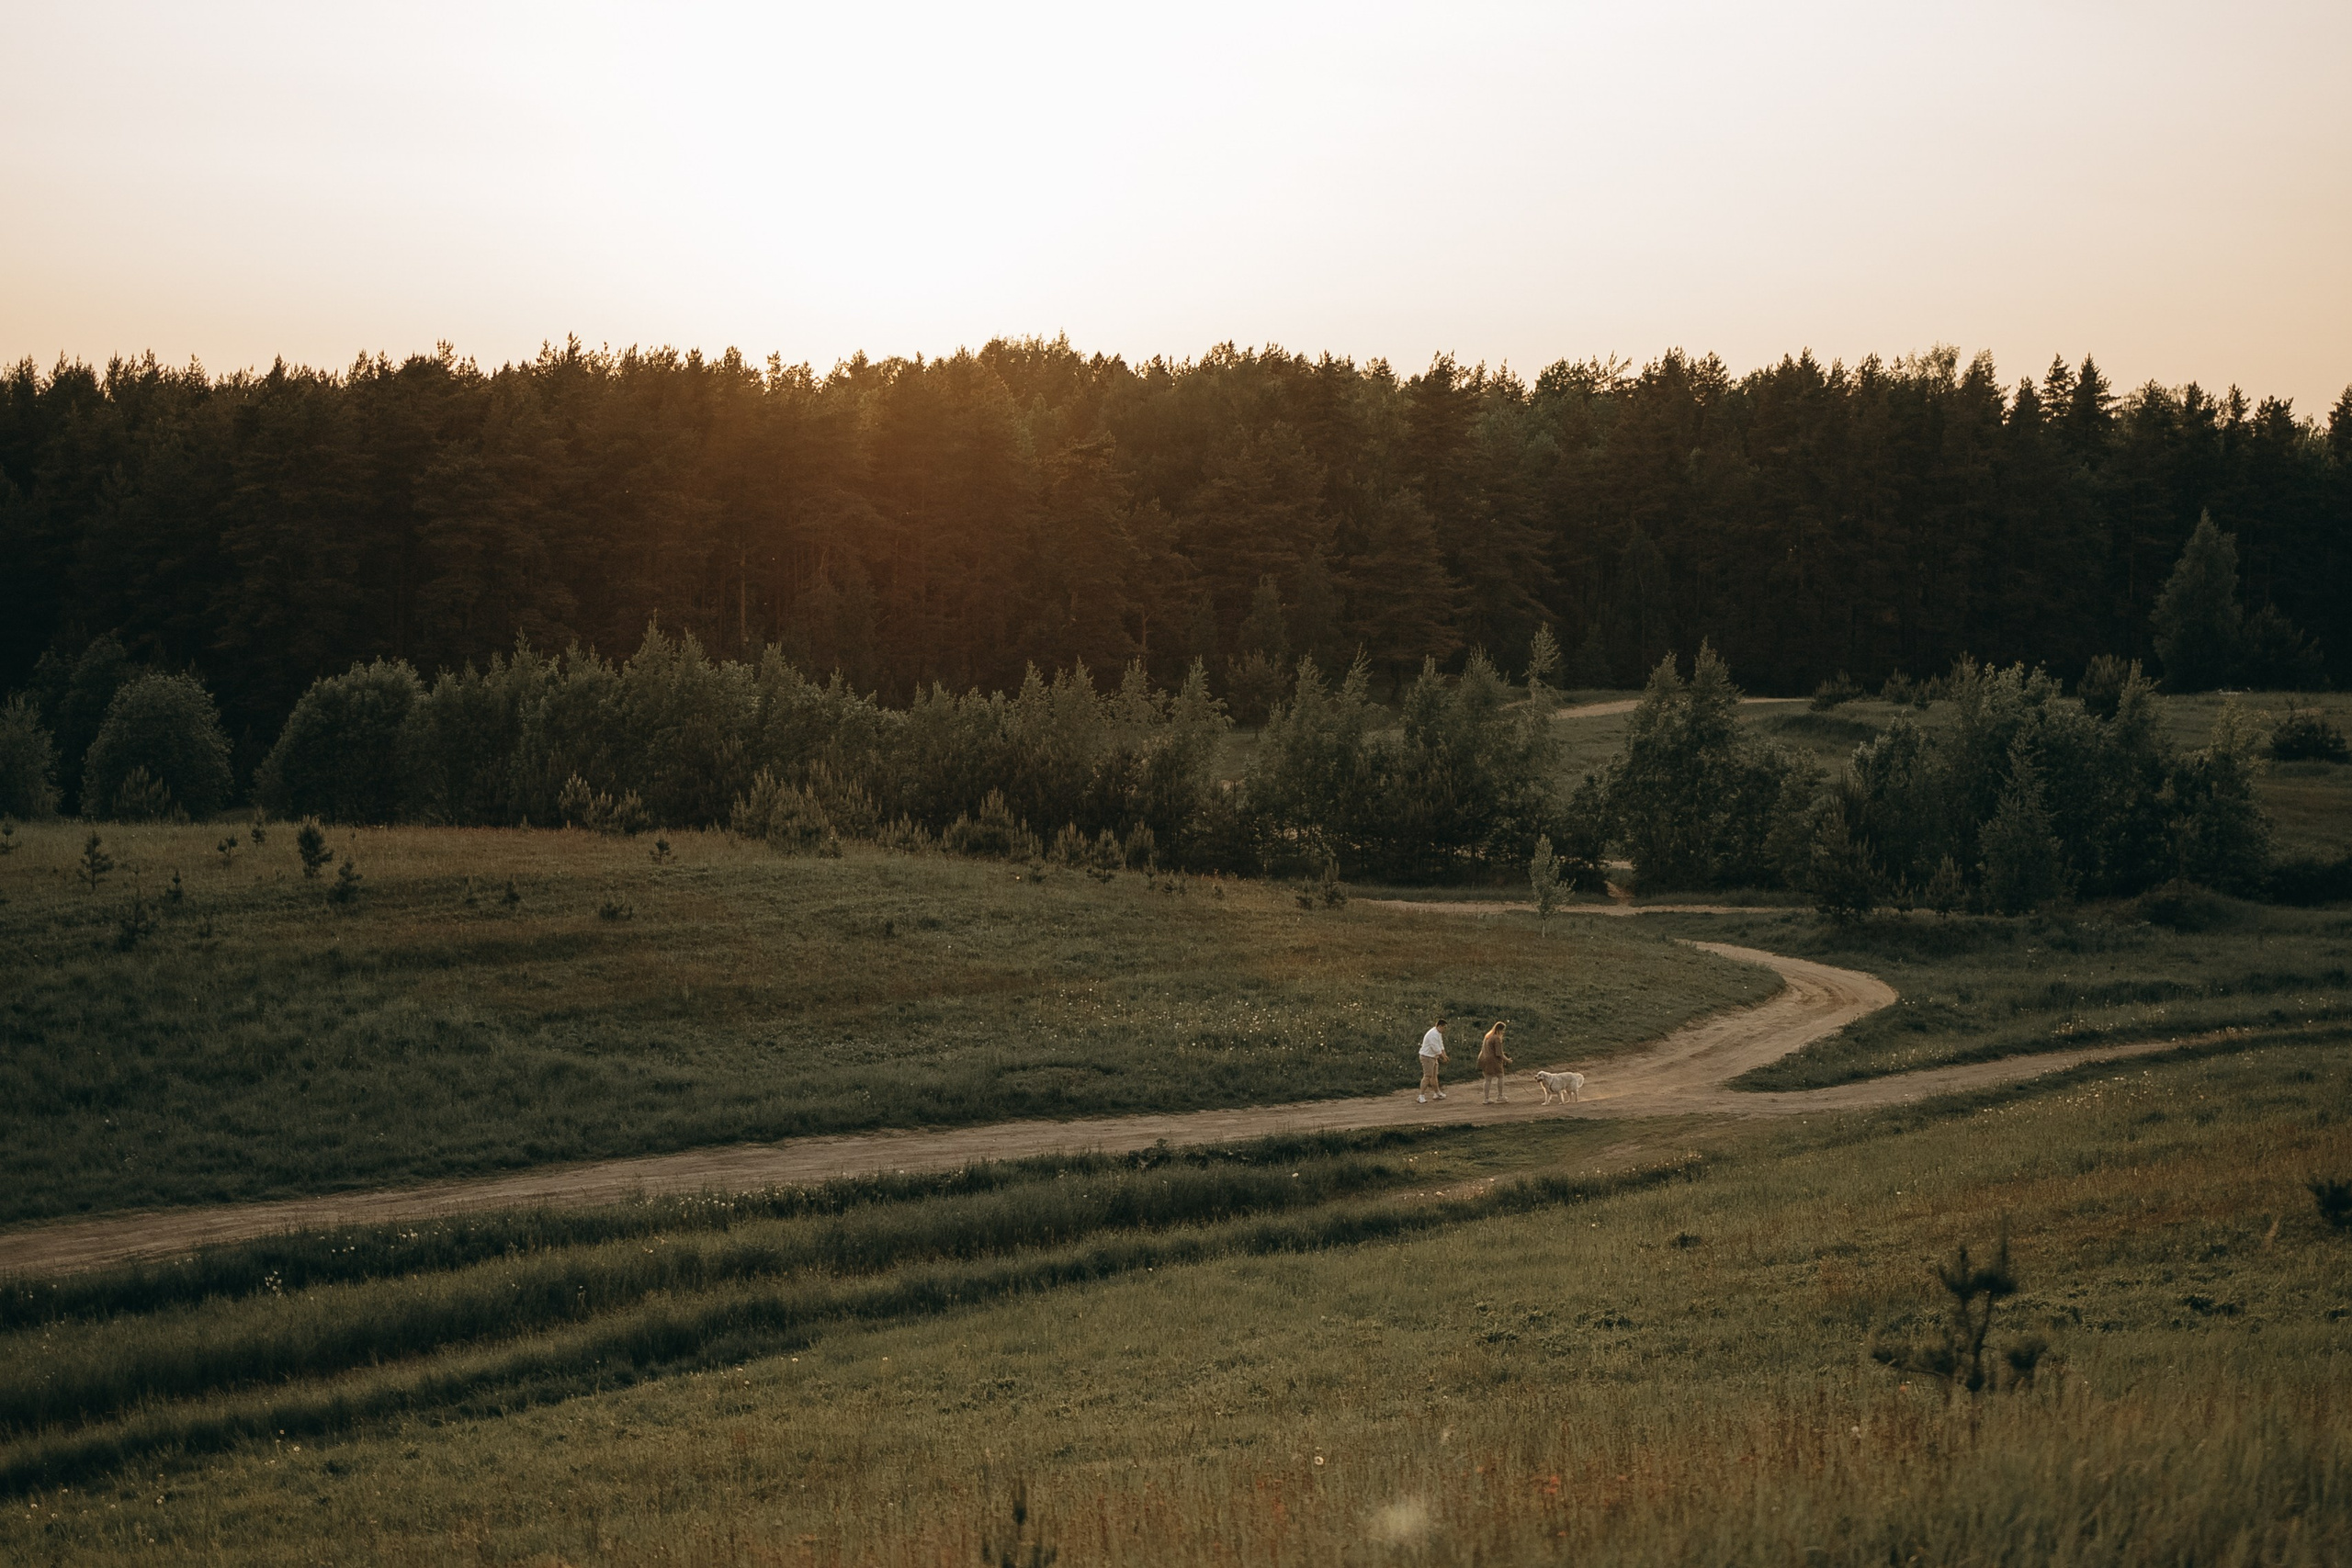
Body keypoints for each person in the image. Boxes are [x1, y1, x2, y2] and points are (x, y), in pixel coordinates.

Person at [1478, 1020, 1511, 1102]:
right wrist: (1507, 1060)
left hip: (1484, 1059)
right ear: (1500, 1030)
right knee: (1500, 1076)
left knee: (1487, 1079)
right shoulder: (1496, 1038)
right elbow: (1499, 1053)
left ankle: (1486, 1099)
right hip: (1493, 1061)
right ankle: (1500, 1096)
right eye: (1503, 1030)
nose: (1503, 1032)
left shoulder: (1488, 1036)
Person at [1418, 1016, 1448, 1103]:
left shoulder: (1438, 1033)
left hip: (1433, 1057)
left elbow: (1441, 1045)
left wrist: (1445, 1055)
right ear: (1439, 1026)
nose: (1444, 1029)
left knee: (1434, 1076)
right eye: (1444, 1027)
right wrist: (1443, 1058)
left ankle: (1437, 1093)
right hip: (1427, 1056)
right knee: (1427, 1076)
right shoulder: (1433, 1034)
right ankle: (1421, 1096)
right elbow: (1436, 1049)